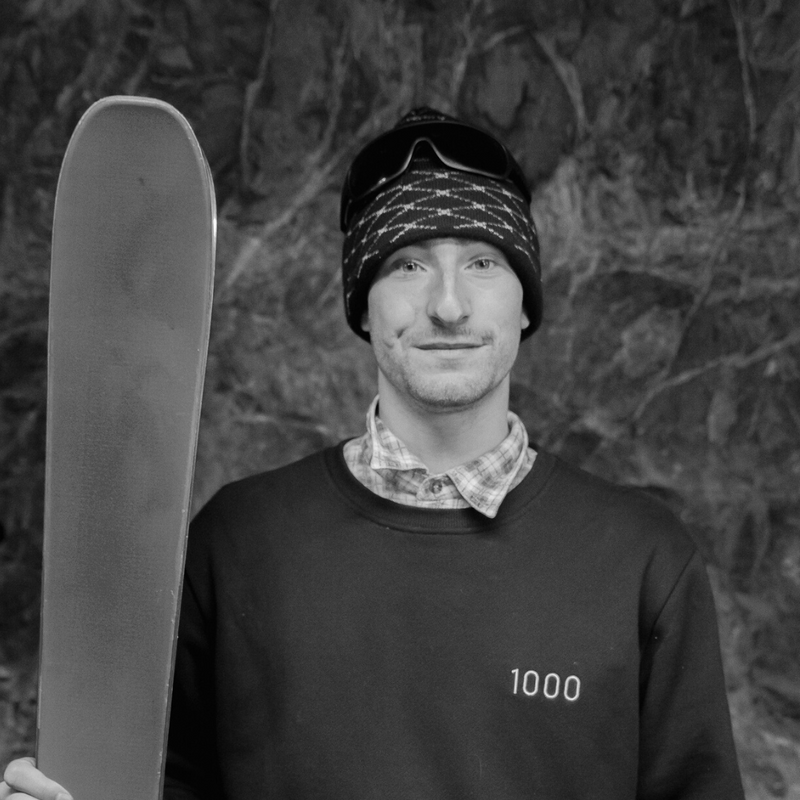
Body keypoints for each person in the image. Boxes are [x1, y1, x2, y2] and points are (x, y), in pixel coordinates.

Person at [2, 107, 744, 799]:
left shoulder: (642, 562)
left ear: (525, 302)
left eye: (484, 262)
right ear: (363, 303)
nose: (448, 305)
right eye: (408, 265)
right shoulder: (237, 545)